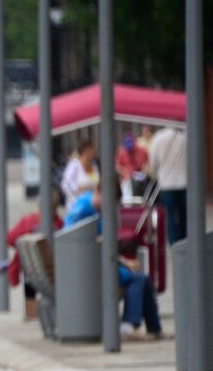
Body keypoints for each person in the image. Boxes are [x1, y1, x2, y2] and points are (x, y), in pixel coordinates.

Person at [65, 187, 166, 339]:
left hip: (93, 264)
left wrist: (123, 261)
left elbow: (100, 245)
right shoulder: (85, 212)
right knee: (137, 279)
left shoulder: (87, 205)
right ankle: (128, 326)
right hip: (91, 269)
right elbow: (96, 245)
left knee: (142, 278)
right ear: (100, 192)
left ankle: (153, 329)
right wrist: (125, 263)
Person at [146, 126, 187, 244]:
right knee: (184, 215)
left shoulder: (158, 137)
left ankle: (174, 243)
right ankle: (185, 241)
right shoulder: (185, 136)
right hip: (184, 182)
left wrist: (155, 173)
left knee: (170, 216)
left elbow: (153, 162)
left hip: (166, 184)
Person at [60, 140, 99, 207]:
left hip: (92, 206)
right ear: (85, 152)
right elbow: (65, 184)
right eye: (92, 150)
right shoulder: (74, 165)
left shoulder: (94, 166)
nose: (94, 152)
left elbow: (97, 183)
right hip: (77, 205)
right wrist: (78, 188)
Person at [115, 132, 149, 198]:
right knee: (127, 187)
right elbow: (117, 167)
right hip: (127, 179)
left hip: (140, 178)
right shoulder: (121, 152)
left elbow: (147, 164)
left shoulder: (142, 151)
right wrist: (125, 172)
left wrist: (145, 172)